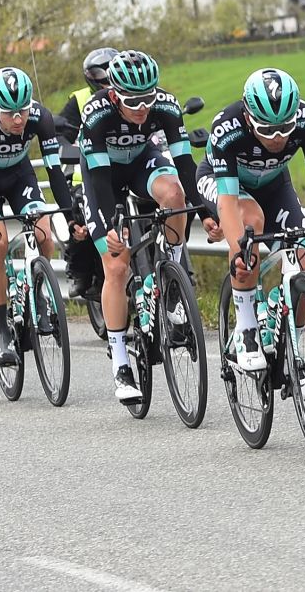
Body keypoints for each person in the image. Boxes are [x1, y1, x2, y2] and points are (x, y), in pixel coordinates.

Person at [202, 68, 305, 373]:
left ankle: (293, 347)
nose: (277, 138)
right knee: (250, 222)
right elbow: (227, 202)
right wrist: (240, 251)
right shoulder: (227, 127)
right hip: (225, 184)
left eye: (284, 128)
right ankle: (247, 329)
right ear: (249, 118)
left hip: (275, 186)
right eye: (267, 130)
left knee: (303, 256)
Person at [77, 49, 215, 402]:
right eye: (132, 101)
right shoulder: (96, 114)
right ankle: (121, 362)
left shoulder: (166, 106)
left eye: (147, 99)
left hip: (141, 163)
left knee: (173, 192)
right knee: (117, 267)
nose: (141, 108)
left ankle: (171, 275)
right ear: (113, 94)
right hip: (103, 176)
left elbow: (186, 164)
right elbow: (101, 178)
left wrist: (205, 213)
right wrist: (112, 224)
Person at [0, 67, 78, 369]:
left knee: (44, 234)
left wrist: (69, 211)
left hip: (19, 176)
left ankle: (39, 292)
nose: (18, 120)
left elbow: (54, 171)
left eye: (22, 111)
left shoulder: (41, 117)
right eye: (10, 113)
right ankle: (1, 329)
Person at [55, 48, 118, 303]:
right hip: (86, 174)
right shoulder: (79, 100)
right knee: (82, 222)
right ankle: (79, 271)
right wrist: (69, 148)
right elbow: (59, 132)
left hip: (123, 172)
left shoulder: (130, 96)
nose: (108, 82)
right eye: (102, 76)